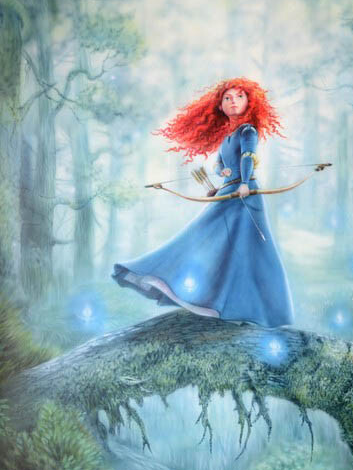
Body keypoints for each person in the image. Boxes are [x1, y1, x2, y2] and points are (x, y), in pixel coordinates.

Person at [112, 78, 294, 328]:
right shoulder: (228, 137)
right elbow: (221, 165)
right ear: (220, 106)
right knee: (213, 240)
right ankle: (204, 296)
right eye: (227, 98)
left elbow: (248, 157)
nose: (233, 102)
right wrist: (223, 177)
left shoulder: (247, 131)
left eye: (239, 97)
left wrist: (243, 183)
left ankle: (258, 311)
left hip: (245, 194)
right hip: (229, 192)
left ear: (249, 102)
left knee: (248, 249)